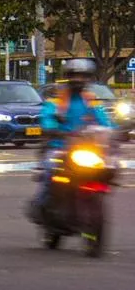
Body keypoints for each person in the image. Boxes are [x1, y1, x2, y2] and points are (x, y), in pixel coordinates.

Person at [30, 58, 112, 222]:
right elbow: (47, 117)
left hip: (86, 148)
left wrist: (115, 131)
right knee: (50, 172)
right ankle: (42, 206)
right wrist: (52, 127)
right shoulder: (57, 99)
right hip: (59, 147)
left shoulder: (90, 100)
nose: (79, 79)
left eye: (83, 76)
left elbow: (104, 121)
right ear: (68, 76)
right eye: (75, 75)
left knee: (106, 168)